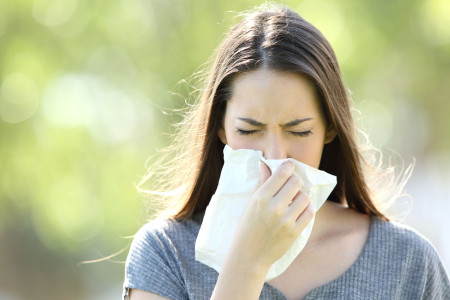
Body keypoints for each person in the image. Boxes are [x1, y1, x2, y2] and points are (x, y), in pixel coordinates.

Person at [123, 4, 450, 299]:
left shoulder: (407, 261)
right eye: (249, 130)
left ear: (330, 129)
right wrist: (247, 264)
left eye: (299, 131)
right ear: (220, 127)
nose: (275, 156)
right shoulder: (166, 254)